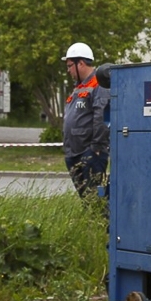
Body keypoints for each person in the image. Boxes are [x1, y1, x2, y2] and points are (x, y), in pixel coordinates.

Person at [62, 42, 110, 199]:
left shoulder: (99, 84)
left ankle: (101, 224)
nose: (68, 70)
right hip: (74, 152)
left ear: (80, 63)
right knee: (86, 200)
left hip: (89, 153)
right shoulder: (79, 87)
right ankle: (92, 224)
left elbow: (101, 116)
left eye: (70, 66)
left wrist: (96, 147)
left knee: (94, 199)